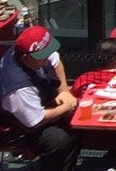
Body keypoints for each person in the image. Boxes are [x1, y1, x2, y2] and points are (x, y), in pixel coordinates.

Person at [1, 25, 77, 171]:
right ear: (26, 58)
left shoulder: (35, 53)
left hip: (40, 100)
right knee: (59, 139)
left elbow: (55, 61)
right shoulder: (18, 86)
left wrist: (63, 91)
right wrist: (64, 107)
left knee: (75, 121)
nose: (46, 59)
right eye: (42, 58)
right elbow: (36, 120)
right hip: (18, 125)